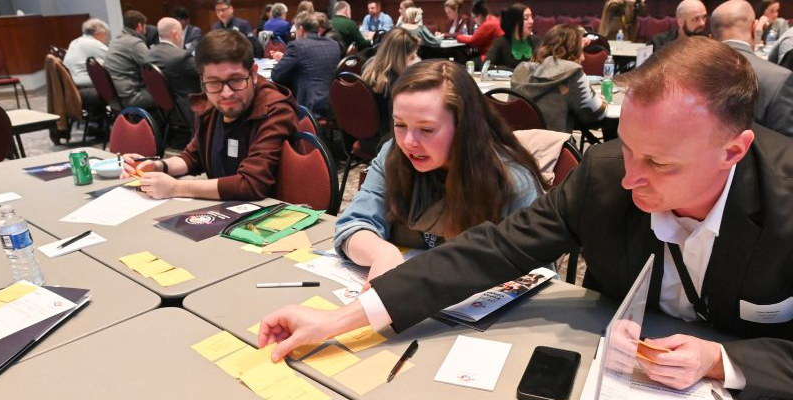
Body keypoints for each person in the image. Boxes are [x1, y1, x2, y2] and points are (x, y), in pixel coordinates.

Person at [259, 36, 793, 398]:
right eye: (628, 147)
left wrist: (722, 361)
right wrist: (336, 322)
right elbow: (492, 250)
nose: (631, 179)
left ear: (734, 151)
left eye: (658, 162)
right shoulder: (604, 173)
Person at [335, 59, 546, 287]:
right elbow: (353, 224)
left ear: (464, 126)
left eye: (427, 129)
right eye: (400, 125)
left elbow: (534, 273)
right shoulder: (393, 156)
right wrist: (383, 254)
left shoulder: (510, 180)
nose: (408, 142)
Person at [119, 30, 298, 201]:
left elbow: (251, 184)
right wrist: (159, 166)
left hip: (268, 218)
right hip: (227, 209)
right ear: (202, 81)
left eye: (236, 80)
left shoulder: (275, 110)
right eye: (213, 83)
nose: (226, 93)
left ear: (253, 74)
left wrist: (176, 188)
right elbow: (193, 156)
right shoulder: (210, 106)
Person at [711, 0, 793, 138]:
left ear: (711, 37)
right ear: (754, 28)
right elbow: (787, 148)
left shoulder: (690, 72)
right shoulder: (780, 80)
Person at [510, 24, 606, 132]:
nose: (583, 58)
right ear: (572, 52)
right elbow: (598, 113)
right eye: (581, 51)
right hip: (553, 145)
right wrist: (602, 101)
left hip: (515, 144)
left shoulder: (521, 69)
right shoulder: (573, 73)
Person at [271, 12, 341, 119]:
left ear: (301, 30)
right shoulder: (334, 44)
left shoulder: (297, 46)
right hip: (334, 106)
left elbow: (276, 75)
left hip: (310, 108)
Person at [361, 28, 420, 144]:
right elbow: (399, 125)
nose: (416, 60)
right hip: (386, 144)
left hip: (364, 136)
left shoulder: (369, 69)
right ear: (400, 58)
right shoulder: (396, 85)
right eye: (412, 57)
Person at [147, 17, 201, 126]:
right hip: (188, 108)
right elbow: (205, 72)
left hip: (165, 109)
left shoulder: (149, 54)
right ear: (176, 34)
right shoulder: (181, 56)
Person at [104, 10, 155, 110]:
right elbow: (153, 67)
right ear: (140, 26)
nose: (146, 30)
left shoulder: (116, 40)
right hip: (130, 97)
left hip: (115, 97)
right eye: (145, 26)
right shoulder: (134, 43)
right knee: (171, 94)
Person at [63, 18, 109, 107]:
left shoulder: (76, 41)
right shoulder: (93, 43)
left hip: (72, 85)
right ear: (99, 33)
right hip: (84, 86)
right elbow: (113, 58)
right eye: (106, 35)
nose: (106, 39)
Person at [486, 3, 541, 69]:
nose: (531, 21)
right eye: (526, 18)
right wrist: (510, 71)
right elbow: (486, 66)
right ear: (515, 22)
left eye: (531, 17)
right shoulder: (500, 43)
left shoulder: (537, 41)